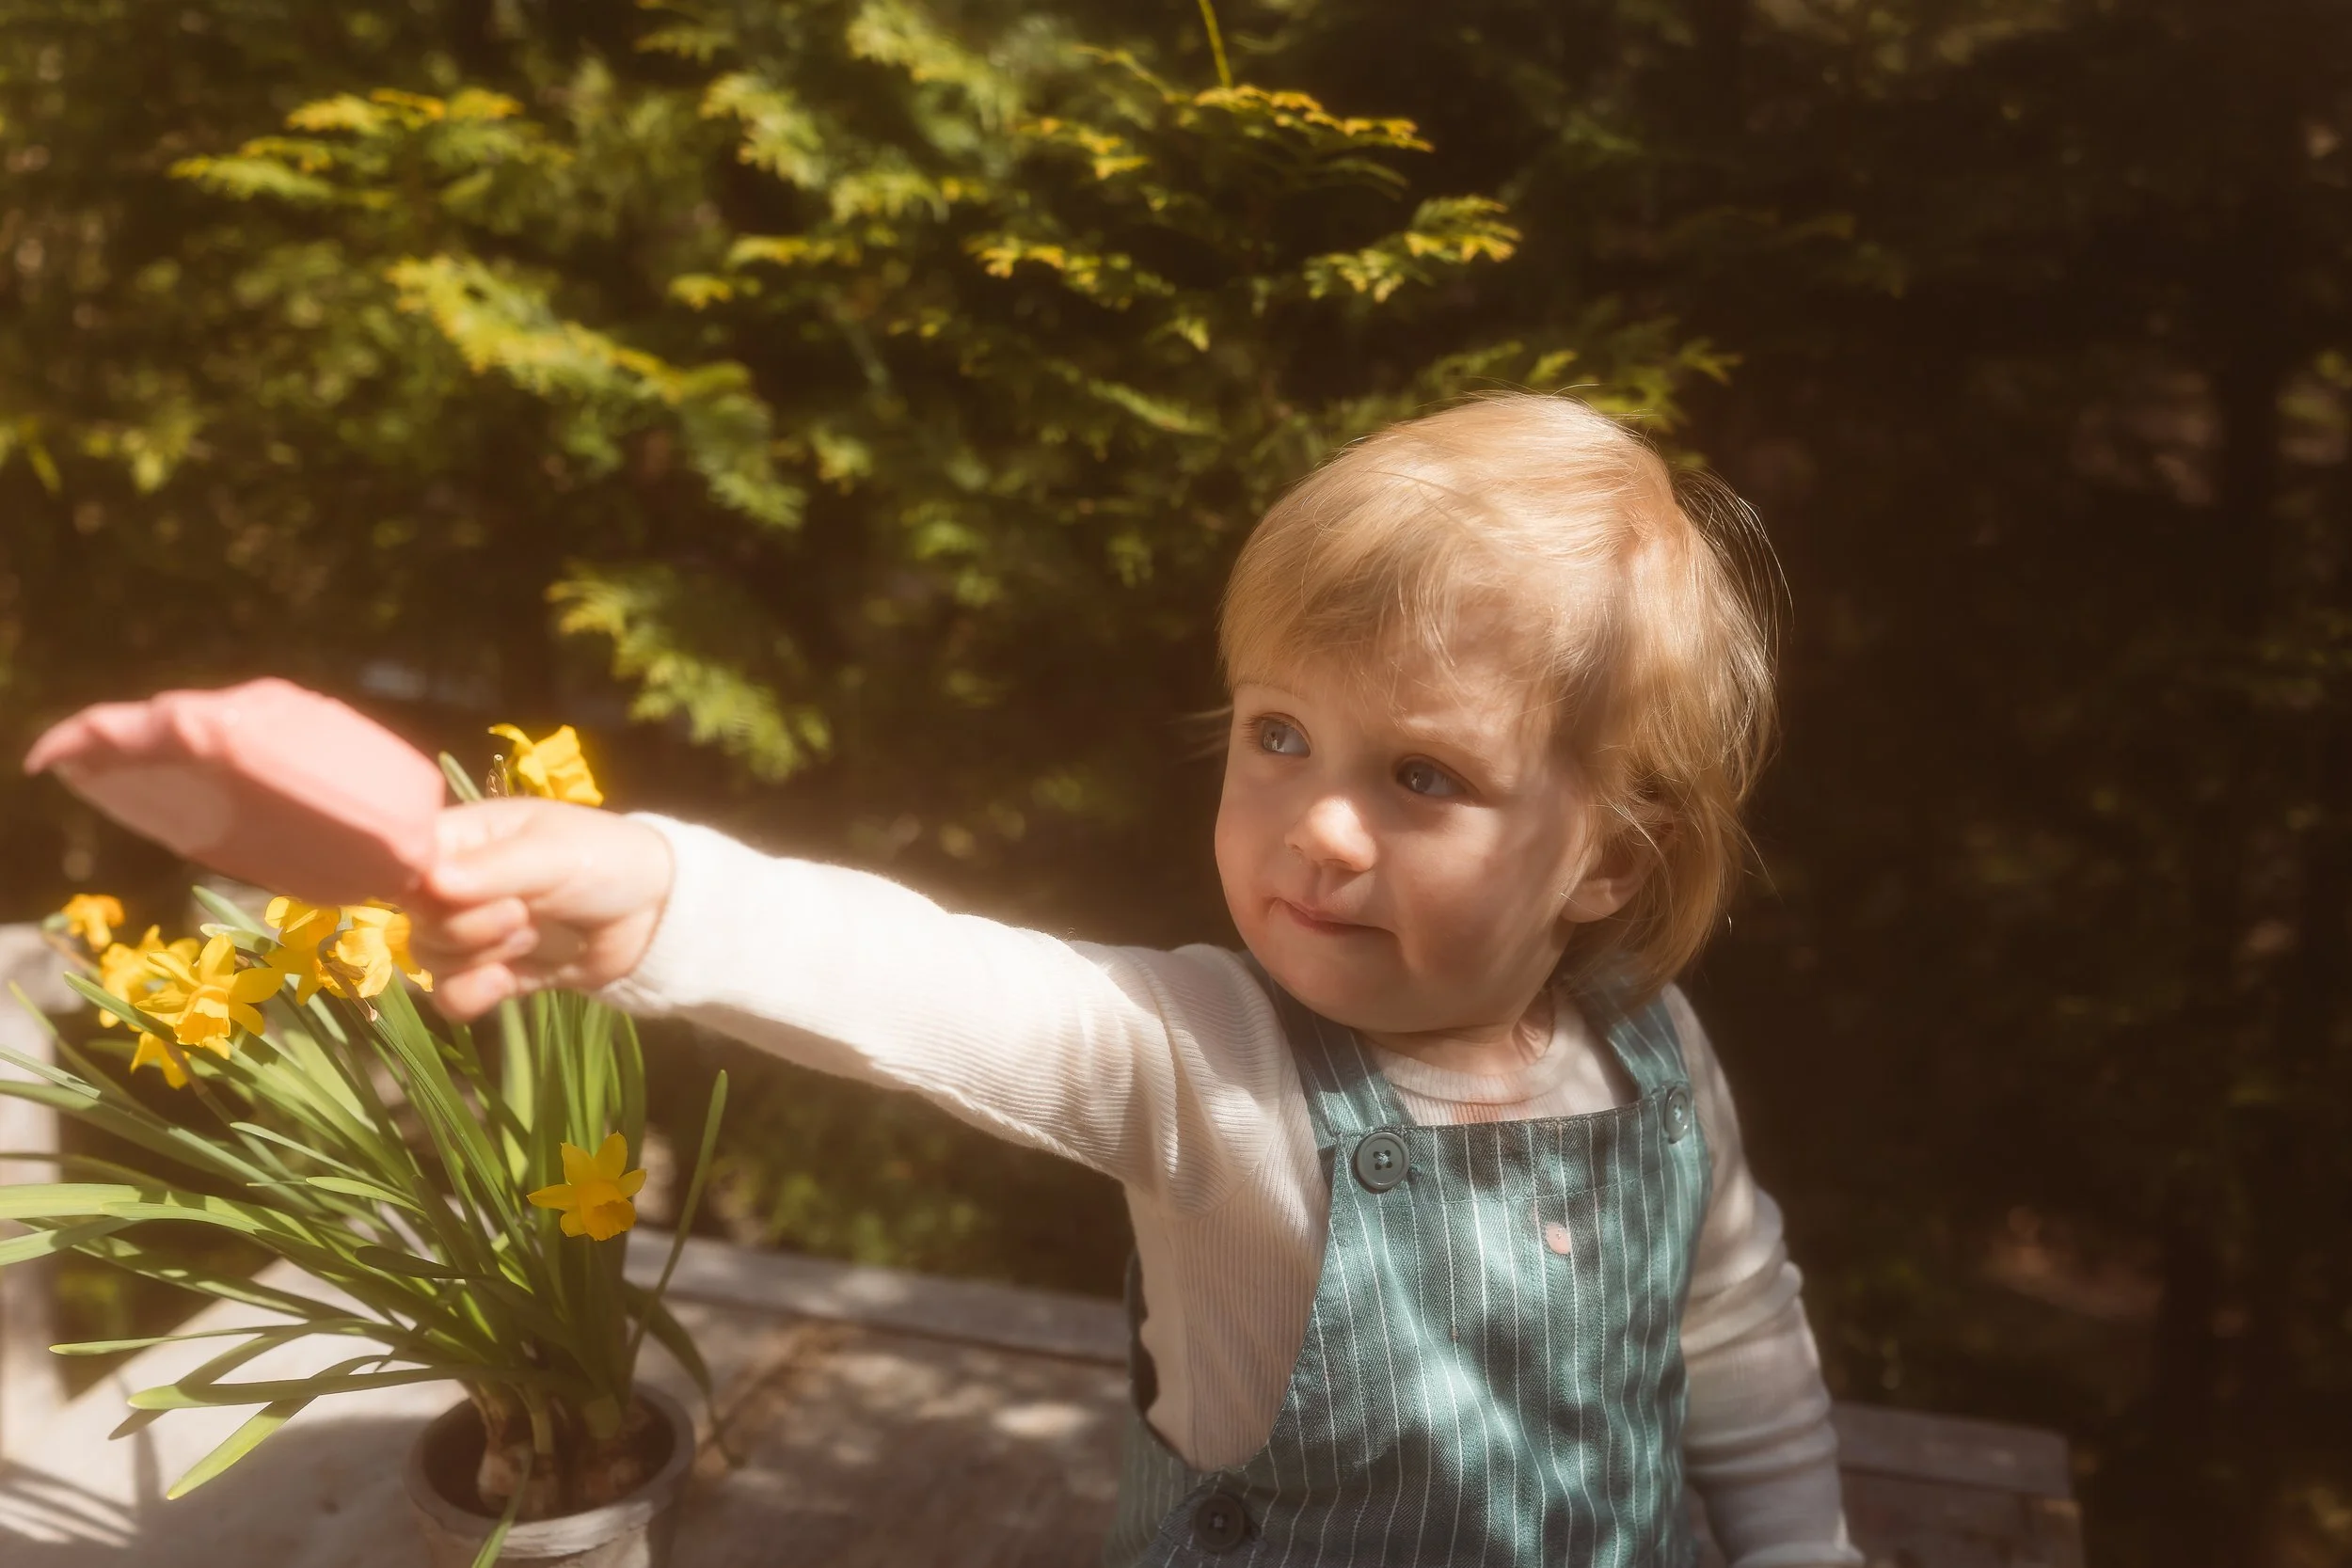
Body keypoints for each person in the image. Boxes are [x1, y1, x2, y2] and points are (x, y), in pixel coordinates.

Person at [411, 393, 1861, 1567]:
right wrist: (662, 897)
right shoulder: (1204, 1058)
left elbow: (1729, 1323)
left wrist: (1803, 1549)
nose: (1320, 823)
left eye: (1422, 774)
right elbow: (943, 984)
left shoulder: (1651, 1049)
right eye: (1280, 733)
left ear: (1608, 858)